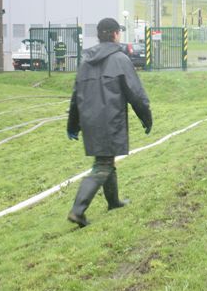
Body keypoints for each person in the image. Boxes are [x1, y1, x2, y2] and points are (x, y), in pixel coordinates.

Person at [66, 18, 153, 227]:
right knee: (103, 164)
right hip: (110, 120)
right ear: (115, 34)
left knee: (106, 160)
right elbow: (136, 93)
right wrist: (146, 117)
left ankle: (113, 202)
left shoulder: (85, 60)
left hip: (90, 121)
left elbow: (76, 94)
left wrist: (73, 124)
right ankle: (78, 210)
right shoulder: (120, 59)